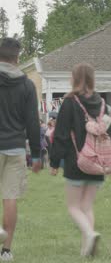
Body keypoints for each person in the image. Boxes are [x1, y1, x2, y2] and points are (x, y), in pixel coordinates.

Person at [49, 63, 111, 257]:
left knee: (73, 206)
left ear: (75, 79)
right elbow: (110, 133)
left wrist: (54, 163)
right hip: (98, 162)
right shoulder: (102, 103)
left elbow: (61, 134)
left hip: (76, 160)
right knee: (86, 206)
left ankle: (89, 233)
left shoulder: (70, 102)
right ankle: (86, 249)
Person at [0, 37, 41, 261]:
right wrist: (36, 154)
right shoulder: (26, 85)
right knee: (10, 197)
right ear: (17, 58)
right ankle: (6, 250)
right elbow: (33, 122)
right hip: (15, 147)